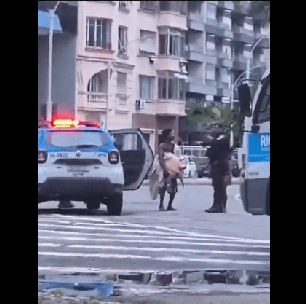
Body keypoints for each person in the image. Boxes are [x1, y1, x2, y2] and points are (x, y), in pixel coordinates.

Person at [205, 123, 230, 213]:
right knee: (218, 186)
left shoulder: (223, 138)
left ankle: (218, 205)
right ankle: (219, 205)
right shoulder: (217, 139)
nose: (214, 130)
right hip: (216, 164)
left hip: (220, 165)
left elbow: (217, 146)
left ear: (221, 128)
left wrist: (211, 140)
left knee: (219, 185)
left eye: (216, 128)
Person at [158, 129, 182, 211]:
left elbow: (177, 158)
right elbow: (161, 157)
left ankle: (170, 205)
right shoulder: (162, 145)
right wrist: (164, 169)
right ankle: (161, 204)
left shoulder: (174, 146)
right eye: (171, 134)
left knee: (174, 188)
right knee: (163, 187)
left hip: (173, 169)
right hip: (165, 169)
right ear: (167, 136)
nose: (173, 135)